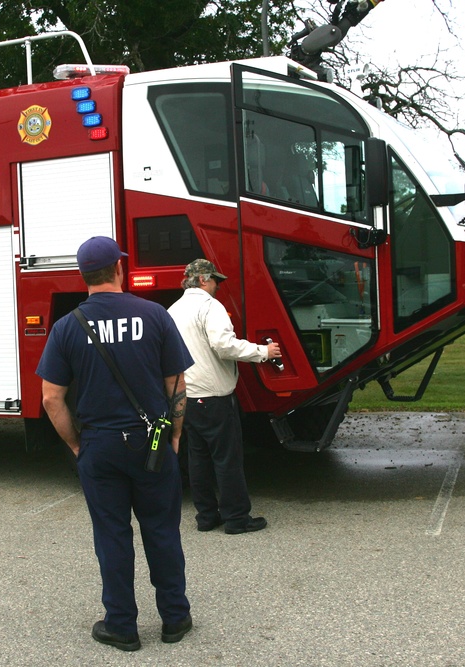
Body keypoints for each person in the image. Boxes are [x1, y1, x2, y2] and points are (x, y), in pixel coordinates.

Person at [36, 236, 194, 652]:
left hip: (100, 444)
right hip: (152, 442)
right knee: (161, 529)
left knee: (111, 534)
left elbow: (51, 397)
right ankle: (175, 618)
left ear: (83, 276)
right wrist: (175, 434)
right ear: (119, 269)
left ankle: (121, 625)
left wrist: (75, 445)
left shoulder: (68, 326)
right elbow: (176, 383)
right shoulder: (155, 315)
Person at [167, 259, 282, 535]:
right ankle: (236, 518)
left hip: (188, 397)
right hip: (215, 396)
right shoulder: (210, 306)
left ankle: (206, 516)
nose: (218, 286)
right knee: (226, 458)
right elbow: (223, 345)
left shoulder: (172, 310)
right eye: (216, 280)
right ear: (203, 280)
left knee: (198, 459)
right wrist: (262, 353)